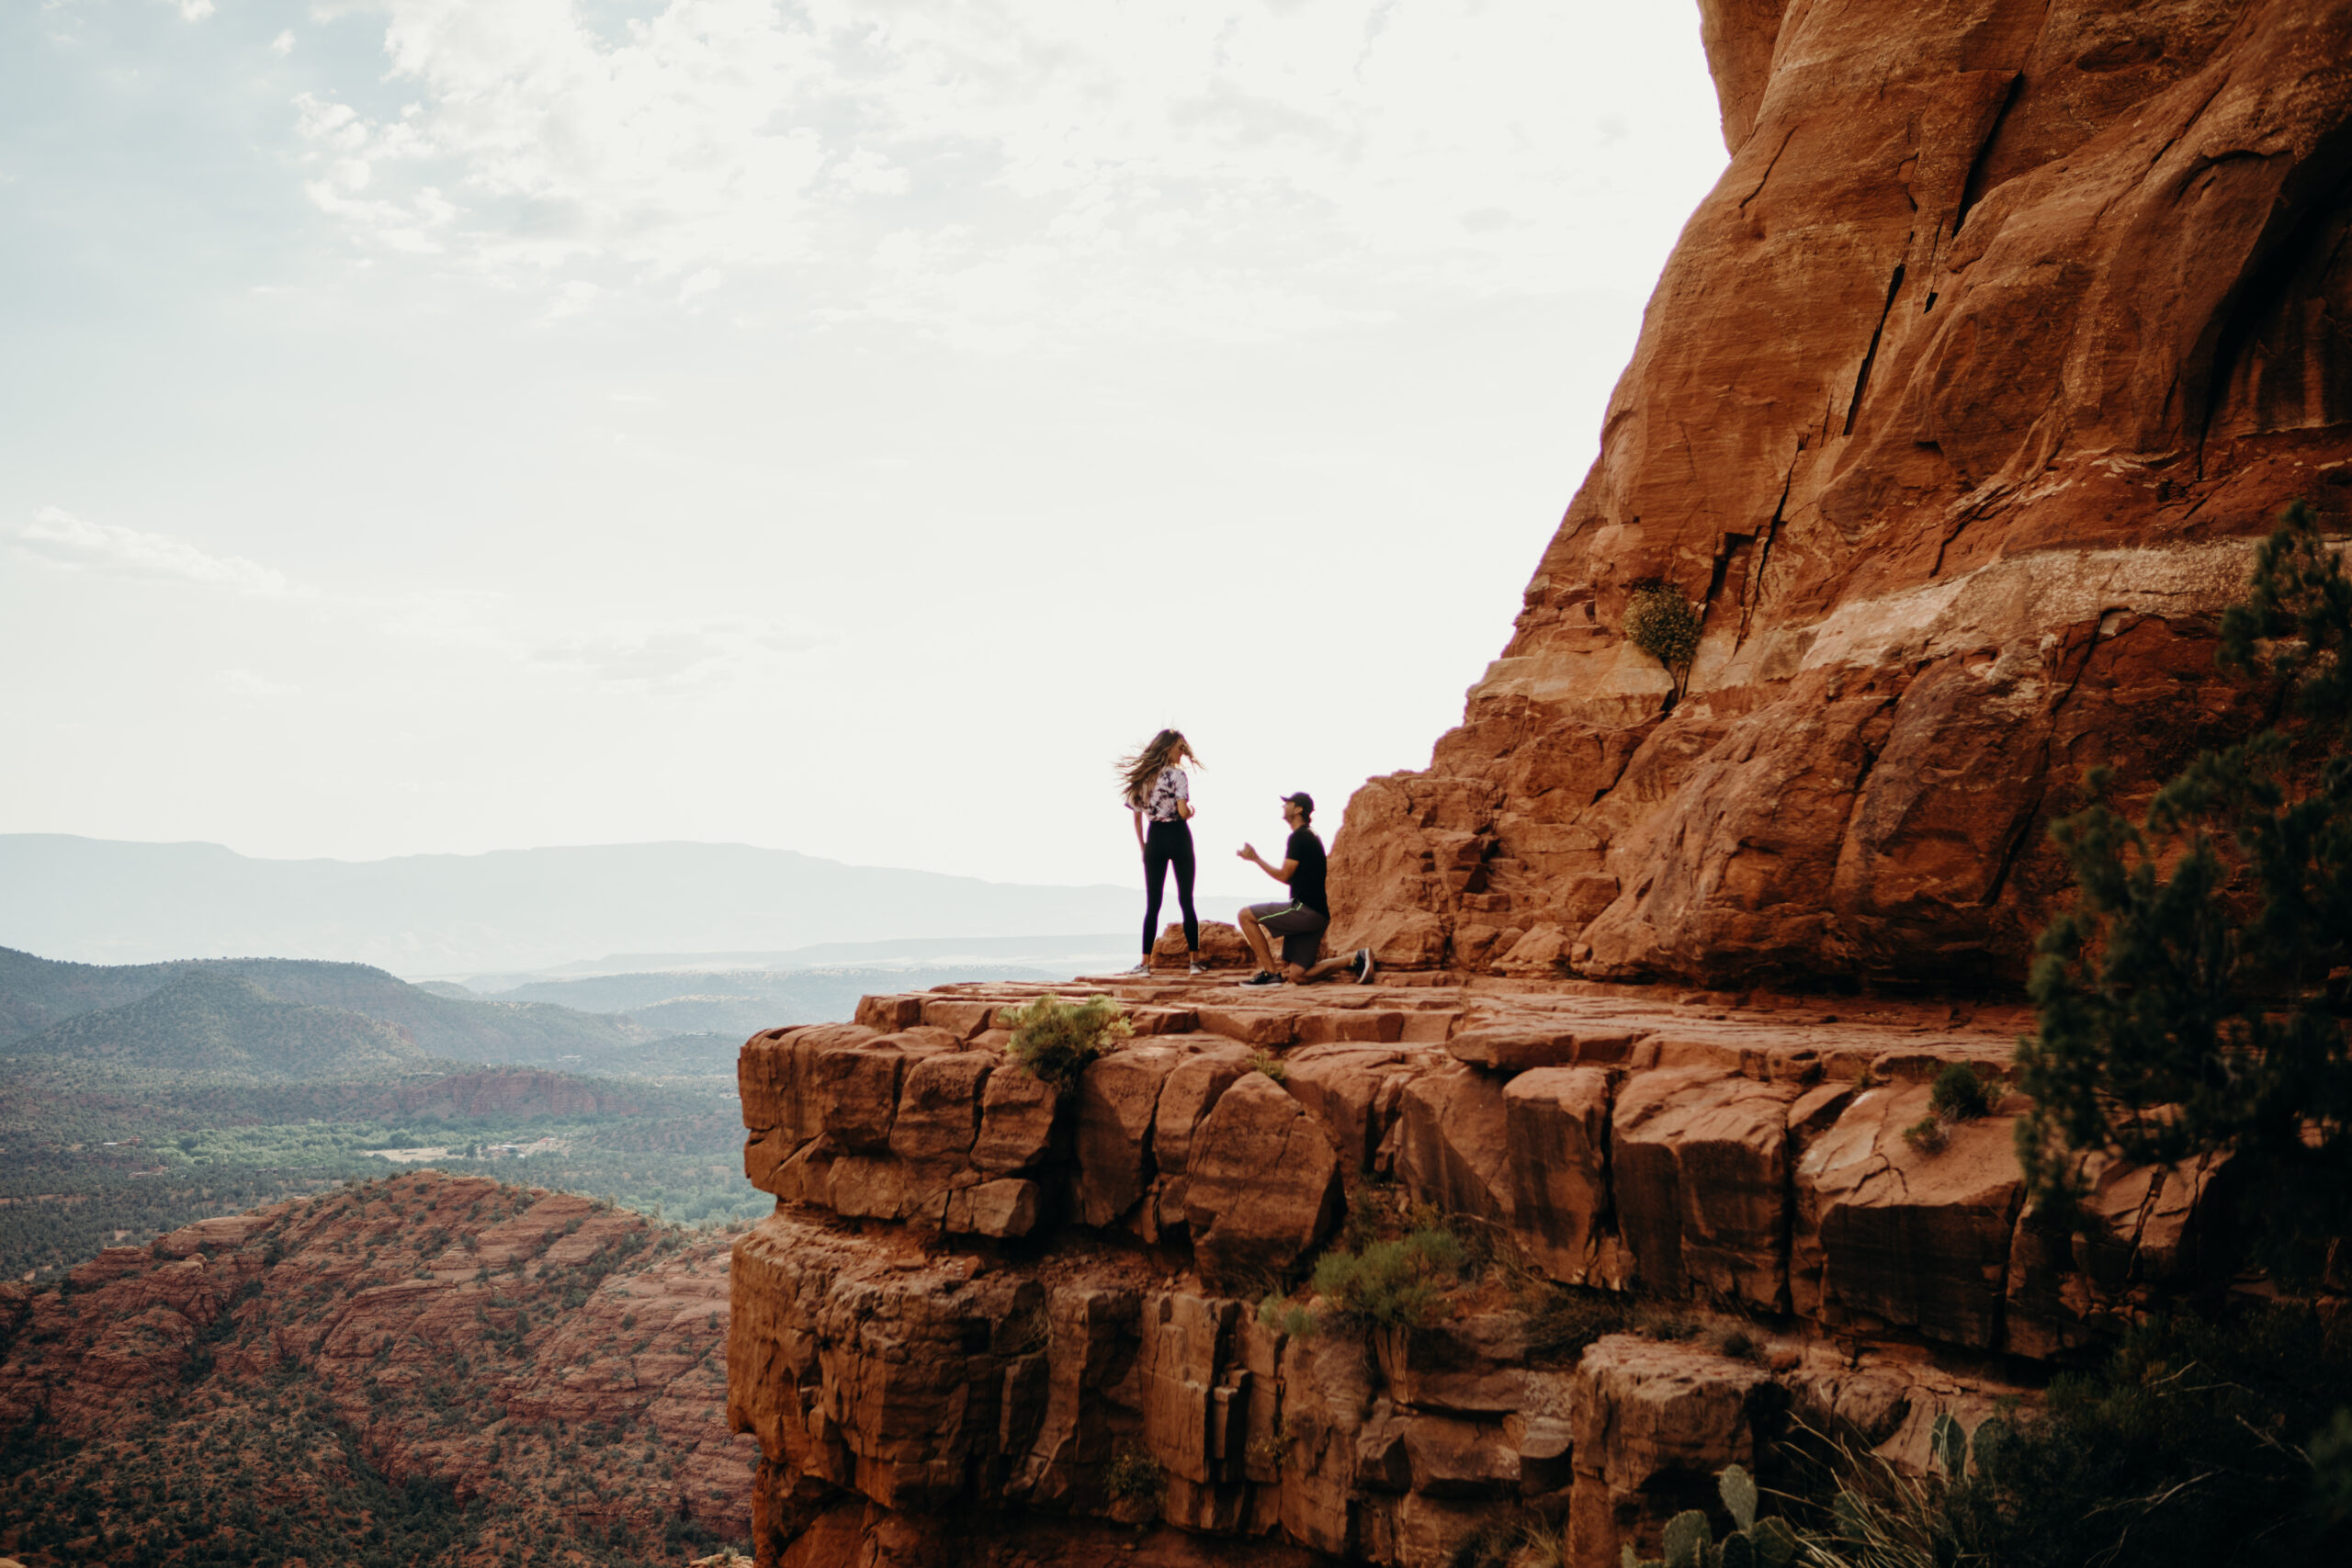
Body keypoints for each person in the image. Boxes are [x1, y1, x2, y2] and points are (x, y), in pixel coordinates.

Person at [1237, 792, 1374, 986]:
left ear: (1298, 809)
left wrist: (1256, 859)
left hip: (1305, 910)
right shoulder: (1311, 836)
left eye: (1288, 804)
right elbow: (1291, 879)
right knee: (1299, 975)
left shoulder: (1299, 837)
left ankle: (1270, 973)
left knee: (1245, 915)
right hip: (1319, 915)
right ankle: (1354, 958)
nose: (1284, 807)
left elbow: (1285, 875)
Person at [1118, 728, 1204, 976]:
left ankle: (1145, 964)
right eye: (1179, 748)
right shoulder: (1178, 776)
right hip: (1178, 835)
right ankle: (1194, 963)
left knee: (1152, 904)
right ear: (1167, 748)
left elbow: (1136, 818)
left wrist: (1144, 847)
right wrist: (1191, 812)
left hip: (1154, 838)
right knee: (1186, 900)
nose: (1182, 753)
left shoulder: (1141, 779)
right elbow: (1182, 811)